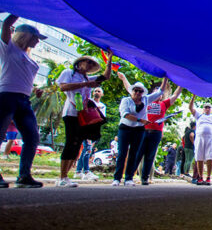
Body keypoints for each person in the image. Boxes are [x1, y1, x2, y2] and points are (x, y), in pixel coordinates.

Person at [0, 16, 45, 188]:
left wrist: (34, 90)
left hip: (24, 100)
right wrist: (19, 8)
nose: (37, 42)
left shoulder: (28, 57)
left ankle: (24, 176)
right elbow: (6, 24)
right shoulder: (8, 49)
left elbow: (22, 77)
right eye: (36, 38)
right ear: (25, 36)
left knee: (32, 137)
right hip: (5, 97)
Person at [57, 52, 113, 187]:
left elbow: (105, 76)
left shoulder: (86, 78)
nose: (89, 65)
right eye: (88, 62)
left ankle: (67, 176)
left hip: (83, 115)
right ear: (80, 63)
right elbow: (63, 87)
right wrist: (85, 84)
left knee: (77, 144)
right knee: (70, 142)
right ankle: (62, 176)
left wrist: (109, 59)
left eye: (92, 64)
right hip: (71, 113)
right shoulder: (69, 73)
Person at [112, 78, 166, 186]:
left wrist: (165, 78)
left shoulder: (145, 99)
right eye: (135, 90)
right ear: (132, 91)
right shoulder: (126, 100)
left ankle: (129, 178)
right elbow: (125, 114)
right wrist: (140, 120)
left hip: (139, 129)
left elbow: (160, 91)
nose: (137, 93)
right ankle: (117, 178)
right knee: (122, 153)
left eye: (140, 91)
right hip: (126, 128)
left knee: (134, 153)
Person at [134, 80, 182, 185]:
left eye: (160, 93)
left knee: (150, 156)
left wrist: (181, 83)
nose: (158, 94)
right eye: (156, 92)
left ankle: (145, 178)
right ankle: (129, 176)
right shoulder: (145, 102)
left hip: (156, 133)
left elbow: (176, 94)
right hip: (143, 130)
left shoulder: (164, 104)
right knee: (138, 154)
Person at [74, 86, 107, 180]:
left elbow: (102, 118)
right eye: (95, 91)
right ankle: (86, 171)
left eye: (99, 91)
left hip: (95, 129)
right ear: (93, 93)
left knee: (87, 150)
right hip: (86, 128)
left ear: (102, 94)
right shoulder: (88, 102)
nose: (97, 92)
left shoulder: (103, 105)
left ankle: (78, 171)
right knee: (88, 149)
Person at [188, 97, 212, 185]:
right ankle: (200, 177)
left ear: (211, 109)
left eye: (209, 107)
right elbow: (190, 108)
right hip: (200, 138)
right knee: (199, 157)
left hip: (211, 138)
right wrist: (193, 97)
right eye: (205, 107)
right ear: (203, 109)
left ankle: (208, 177)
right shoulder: (199, 116)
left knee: (210, 157)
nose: (207, 109)